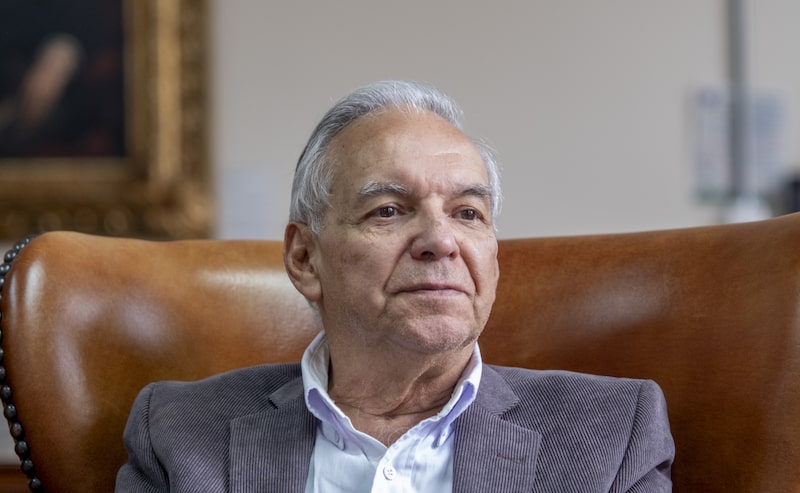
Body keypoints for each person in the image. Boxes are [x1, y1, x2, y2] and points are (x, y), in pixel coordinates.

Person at [115, 80, 674, 491]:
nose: (440, 239)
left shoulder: (611, 436)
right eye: (388, 210)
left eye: (468, 213)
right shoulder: (181, 435)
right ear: (305, 258)